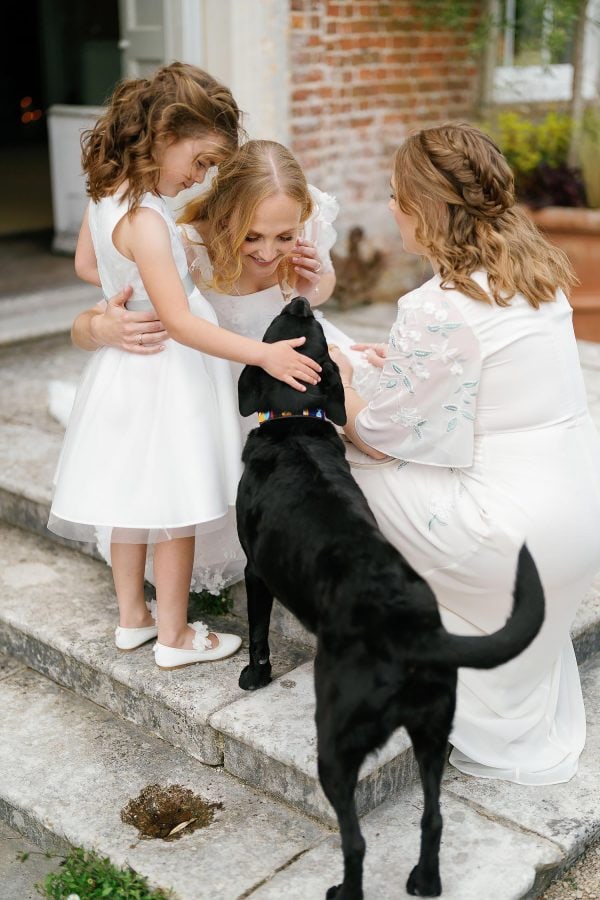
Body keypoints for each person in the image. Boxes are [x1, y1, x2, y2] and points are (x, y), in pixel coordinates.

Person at [328, 122, 600, 785]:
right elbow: (483, 389)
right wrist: (401, 374)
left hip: (510, 538)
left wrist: (337, 375)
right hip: (577, 520)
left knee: (337, 462)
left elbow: (383, 435)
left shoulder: (437, 306)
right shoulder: (538, 277)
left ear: (421, 208)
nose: (391, 208)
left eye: (396, 195)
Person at [48, 62, 321, 671]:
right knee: (176, 507)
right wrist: (262, 352)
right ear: (163, 136)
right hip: (167, 372)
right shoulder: (147, 221)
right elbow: (180, 322)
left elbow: (88, 269)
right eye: (198, 162)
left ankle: (133, 619)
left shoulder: (107, 197)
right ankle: (174, 635)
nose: (199, 177)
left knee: (132, 502)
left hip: (125, 366)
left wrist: (128, 288)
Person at [68, 139, 377, 592]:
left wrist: (312, 285)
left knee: (368, 417)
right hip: (227, 377)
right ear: (224, 213)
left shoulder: (303, 217)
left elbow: (319, 289)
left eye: (284, 238)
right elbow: (88, 321)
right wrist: (100, 329)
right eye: (251, 237)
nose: (270, 253)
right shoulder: (184, 244)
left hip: (291, 357)